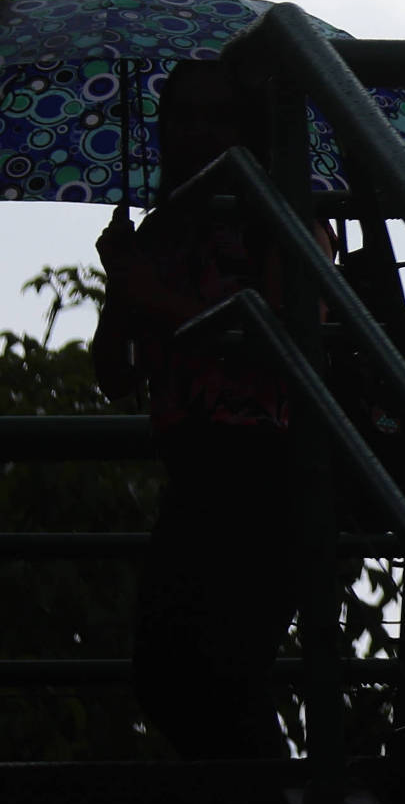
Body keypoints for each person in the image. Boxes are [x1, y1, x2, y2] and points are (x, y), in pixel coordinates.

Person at [91, 57, 327, 759]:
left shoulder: (280, 212)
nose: (195, 131)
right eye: (181, 116)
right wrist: (121, 284)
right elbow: (115, 375)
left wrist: (151, 294)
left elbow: (287, 337)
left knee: (210, 673)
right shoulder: (168, 229)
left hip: (263, 471)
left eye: (215, 115)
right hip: (197, 472)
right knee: (176, 674)